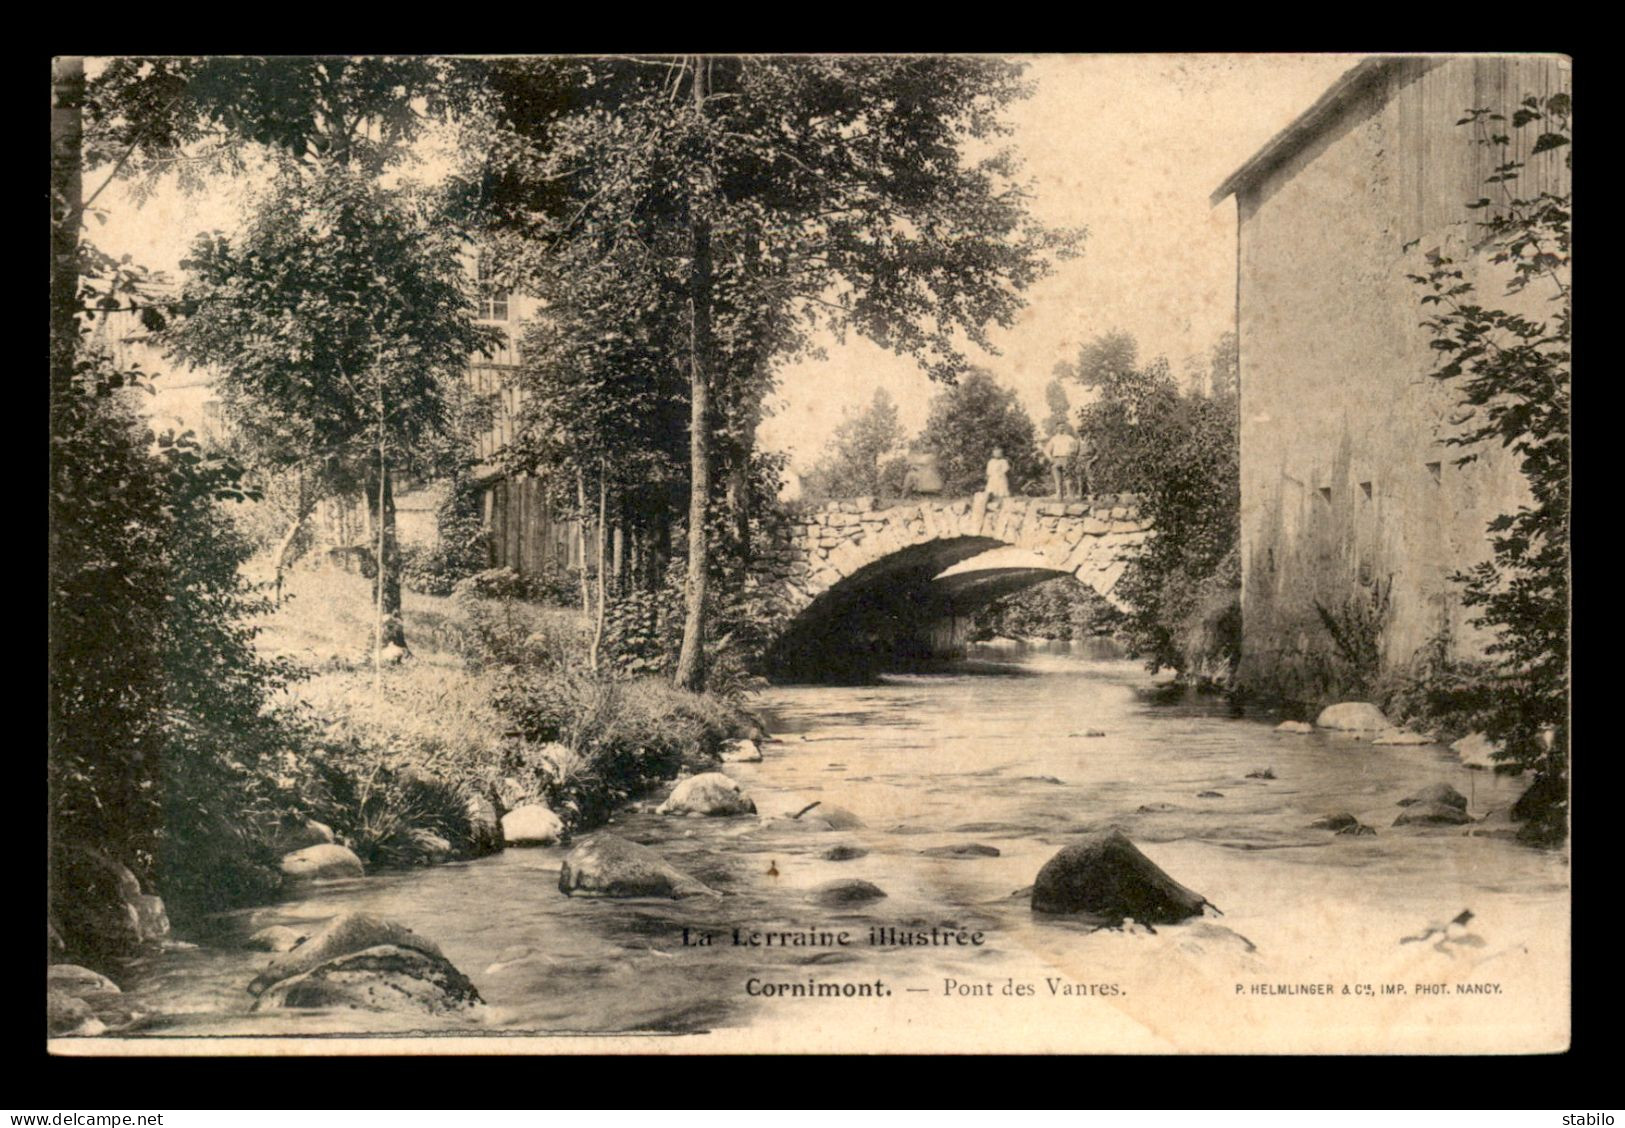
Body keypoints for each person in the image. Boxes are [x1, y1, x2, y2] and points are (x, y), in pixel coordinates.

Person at [1044, 424, 1081, 499]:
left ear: (1064, 428)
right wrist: (1050, 459)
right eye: (1060, 427)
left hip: (1066, 459)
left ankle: (1071, 497)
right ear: (1056, 428)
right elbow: (1046, 450)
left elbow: (1075, 447)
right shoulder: (1054, 439)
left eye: (1063, 427)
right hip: (1056, 459)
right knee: (1058, 480)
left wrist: (1071, 454)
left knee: (1069, 479)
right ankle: (1059, 497)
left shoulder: (1069, 438)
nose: (1061, 428)